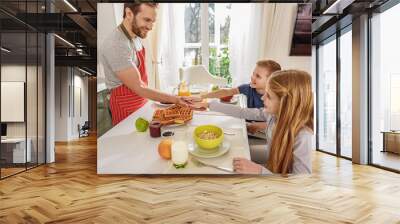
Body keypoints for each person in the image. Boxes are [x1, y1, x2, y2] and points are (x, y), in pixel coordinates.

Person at [190, 70, 314, 175]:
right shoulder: (273, 115)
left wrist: (260, 171)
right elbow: (242, 112)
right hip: (272, 168)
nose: (262, 98)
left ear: (286, 104)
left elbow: (300, 183)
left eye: (269, 96)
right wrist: (208, 104)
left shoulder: (302, 136)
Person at [101, 3, 188, 126]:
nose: (150, 27)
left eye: (153, 21)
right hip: (125, 107)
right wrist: (174, 99)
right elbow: (139, 87)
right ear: (129, 14)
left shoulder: (136, 36)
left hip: (141, 101)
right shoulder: (116, 45)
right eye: (147, 20)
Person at [201, 59, 281, 134]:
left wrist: (260, 125)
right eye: (253, 73)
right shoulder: (248, 88)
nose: (253, 77)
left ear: (271, 80)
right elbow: (227, 92)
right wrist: (203, 96)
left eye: (258, 76)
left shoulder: (275, 99)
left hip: (264, 133)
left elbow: (279, 122)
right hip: (248, 126)